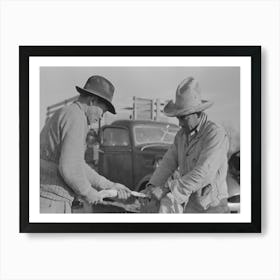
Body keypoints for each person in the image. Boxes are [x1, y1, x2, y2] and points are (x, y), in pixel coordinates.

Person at [40, 75, 131, 213]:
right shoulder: (76, 117)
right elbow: (70, 168)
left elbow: (77, 164)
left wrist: (110, 185)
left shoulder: (69, 113)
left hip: (46, 198)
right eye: (103, 111)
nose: (101, 116)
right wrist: (88, 192)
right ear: (92, 101)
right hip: (52, 202)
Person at [142, 77, 230, 213]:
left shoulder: (215, 134)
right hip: (190, 205)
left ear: (198, 113)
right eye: (178, 117)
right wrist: (153, 185)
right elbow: (168, 162)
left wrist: (167, 189)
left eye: (184, 117)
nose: (180, 123)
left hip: (213, 207)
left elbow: (203, 172)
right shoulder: (181, 136)